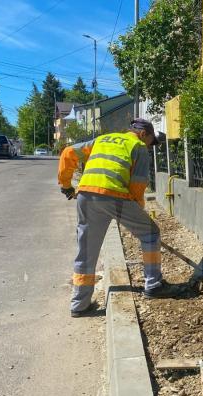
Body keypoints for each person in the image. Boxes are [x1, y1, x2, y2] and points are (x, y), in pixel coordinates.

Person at [58, 119, 182, 317]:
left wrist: (66, 185)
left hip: (85, 194)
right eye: (151, 141)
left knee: (87, 249)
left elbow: (68, 153)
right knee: (150, 233)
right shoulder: (138, 146)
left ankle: (79, 305)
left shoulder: (101, 139)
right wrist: (135, 214)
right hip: (114, 195)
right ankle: (154, 285)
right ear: (143, 134)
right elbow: (137, 186)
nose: (150, 147)